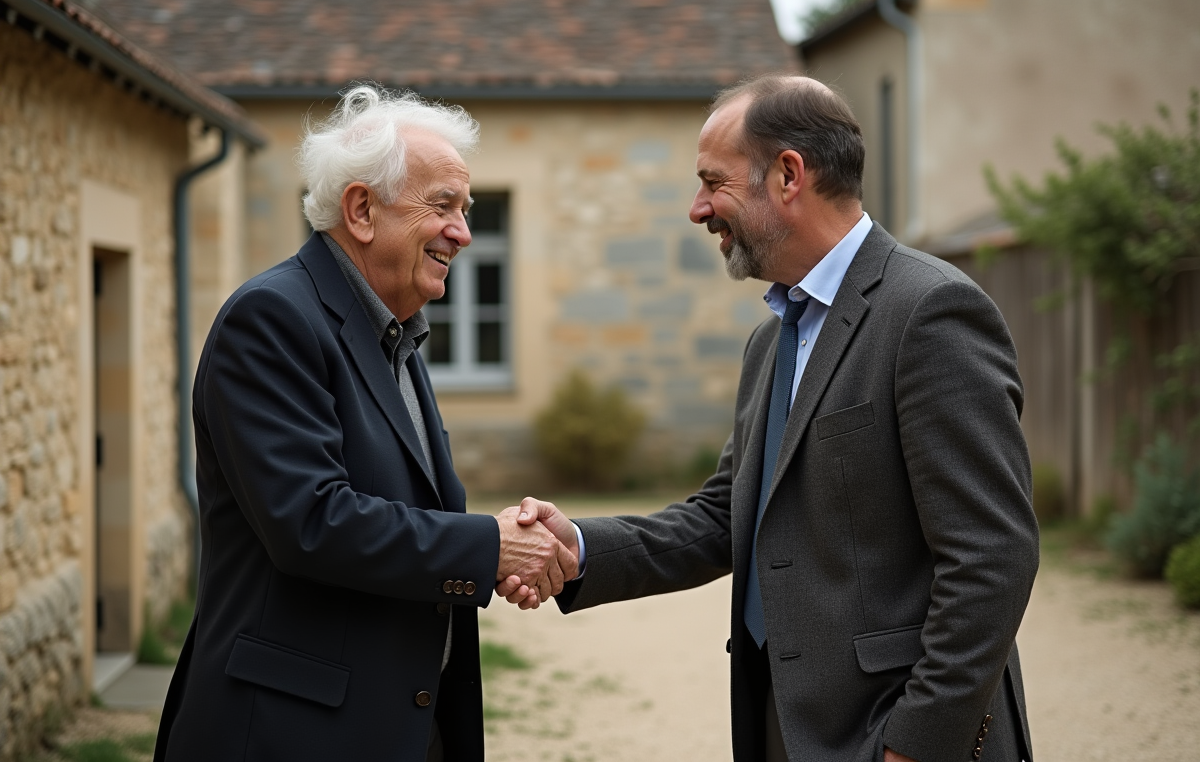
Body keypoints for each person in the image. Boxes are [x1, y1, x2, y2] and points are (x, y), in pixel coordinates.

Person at [501, 75, 1039, 762]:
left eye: (712, 182)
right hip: (785, 725)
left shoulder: (929, 313)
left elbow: (993, 555)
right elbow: (729, 515)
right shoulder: (772, 338)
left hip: (891, 735)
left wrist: (914, 744)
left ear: (789, 175)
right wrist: (578, 548)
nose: (697, 210)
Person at [154, 85, 572, 762]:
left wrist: (502, 547)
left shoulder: (394, 328)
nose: (464, 232)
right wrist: (490, 548)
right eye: (443, 207)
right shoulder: (273, 319)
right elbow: (313, 523)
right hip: (289, 735)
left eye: (465, 211)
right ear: (361, 210)